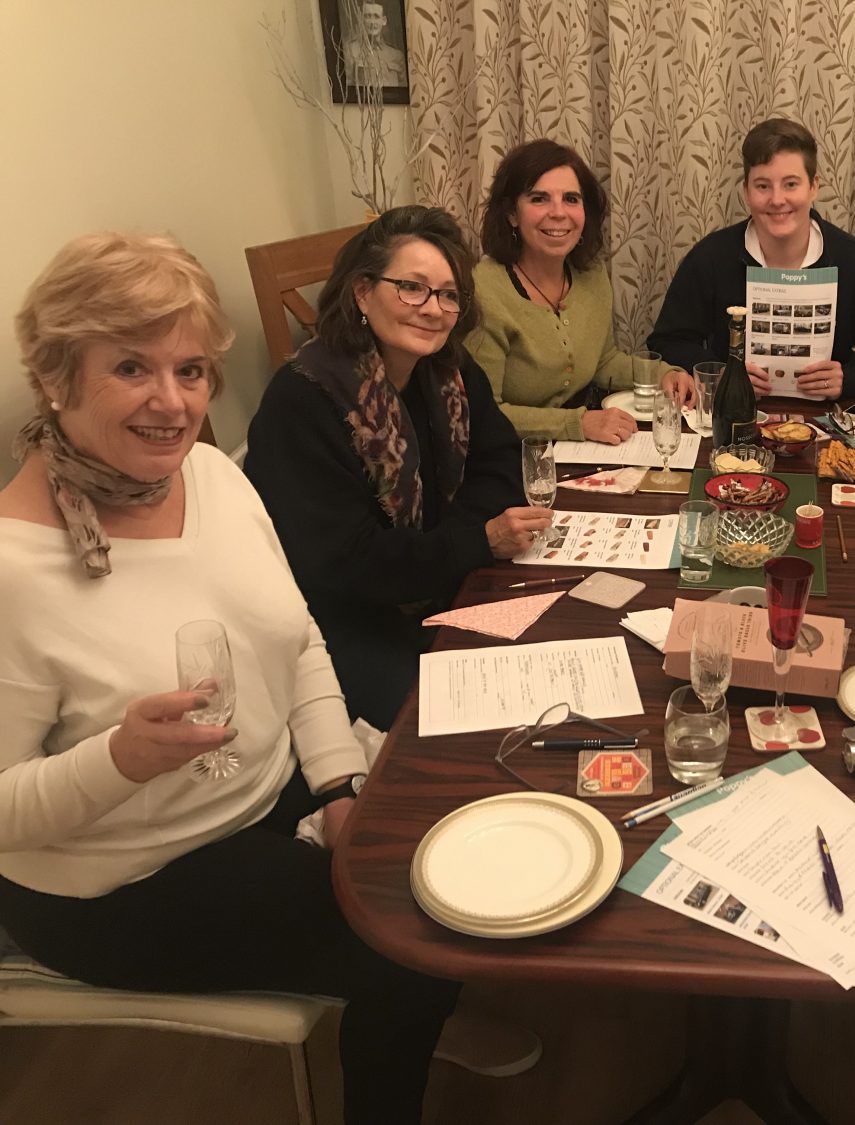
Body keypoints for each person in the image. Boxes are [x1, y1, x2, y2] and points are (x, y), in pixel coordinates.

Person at [0, 232, 460, 1124]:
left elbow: (298, 643)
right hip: (127, 880)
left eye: (193, 370)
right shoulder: (15, 570)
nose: (171, 403)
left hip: (265, 793)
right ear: (55, 375)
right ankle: (405, 1019)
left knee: (442, 827)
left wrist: (338, 784)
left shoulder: (210, 474)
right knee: (414, 937)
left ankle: (413, 1014)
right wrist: (120, 758)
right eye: (131, 367)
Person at [246, 206, 545, 731]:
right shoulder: (304, 400)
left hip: (439, 579)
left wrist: (462, 543)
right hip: (343, 619)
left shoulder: (447, 367)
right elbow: (343, 565)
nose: (433, 309)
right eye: (412, 287)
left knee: (547, 666)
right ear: (362, 292)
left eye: (449, 294)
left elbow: (500, 460)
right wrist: (471, 542)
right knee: (452, 727)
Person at [648, 118, 855, 401]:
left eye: (791, 184)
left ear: (814, 186)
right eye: (763, 186)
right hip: (731, 418)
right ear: (746, 191)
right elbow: (669, 341)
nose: (777, 199)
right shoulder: (710, 257)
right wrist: (724, 375)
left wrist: (849, 379)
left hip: (828, 423)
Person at [466, 139, 693, 442]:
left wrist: (665, 374)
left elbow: (603, 361)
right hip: (506, 458)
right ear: (511, 214)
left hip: (575, 453)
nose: (559, 213)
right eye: (539, 199)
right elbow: (482, 415)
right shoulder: (484, 292)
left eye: (571, 199)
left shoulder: (592, 274)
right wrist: (578, 424)